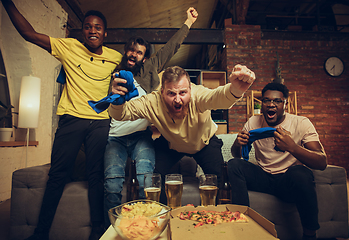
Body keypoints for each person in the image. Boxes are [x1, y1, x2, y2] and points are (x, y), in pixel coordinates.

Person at [1, 1, 122, 240]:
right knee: (57, 174)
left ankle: (98, 230)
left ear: (105, 33)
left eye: (98, 27)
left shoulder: (115, 57)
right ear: (83, 31)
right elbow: (28, 34)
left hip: (99, 122)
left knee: (95, 175)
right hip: (71, 120)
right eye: (88, 26)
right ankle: (41, 232)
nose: (92, 30)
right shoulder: (68, 47)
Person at [103, 7, 198, 226]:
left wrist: (188, 22)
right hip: (115, 136)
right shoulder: (115, 74)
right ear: (126, 51)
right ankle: (114, 229)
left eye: (139, 52)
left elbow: (171, 47)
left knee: (149, 183)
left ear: (145, 58)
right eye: (131, 50)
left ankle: (146, 226)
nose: (133, 54)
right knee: (111, 185)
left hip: (141, 136)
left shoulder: (151, 68)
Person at [109, 64, 256, 204]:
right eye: (171, 93)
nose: (177, 100)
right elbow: (122, 114)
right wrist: (116, 100)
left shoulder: (198, 95)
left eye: (183, 93)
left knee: (221, 181)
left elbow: (217, 98)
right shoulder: (152, 101)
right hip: (171, 145)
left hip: (204, 143)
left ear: (190, 90)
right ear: (162, 92)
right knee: (155, 180)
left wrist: (235, 90)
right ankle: (163, 219)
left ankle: (217, 222)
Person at [227, 82, 327, 240]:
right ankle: (241, 225)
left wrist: (293, 147)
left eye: (277, 101)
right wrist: (238, 144)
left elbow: (322, 162)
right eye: (266, 100)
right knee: (233, 165)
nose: (271, 105)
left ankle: (309, 235)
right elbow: (236, 155)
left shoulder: (301, 123)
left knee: (301, 173)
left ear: (285, 103)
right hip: (263, 178)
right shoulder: (253, 122)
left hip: (287, 181)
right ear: (262, 104)